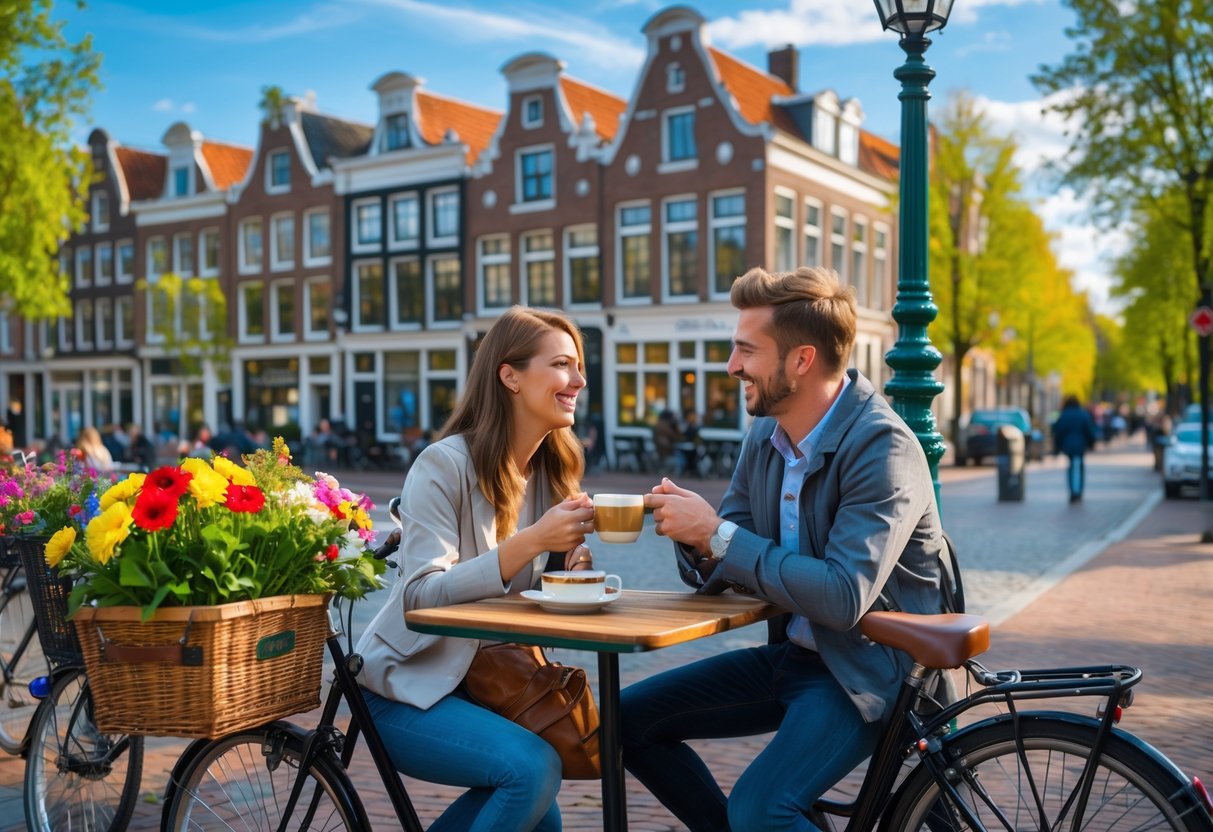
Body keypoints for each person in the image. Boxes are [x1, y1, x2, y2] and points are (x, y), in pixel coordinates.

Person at [622, 266, 947, 832]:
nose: (732, 366)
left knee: (759, 808)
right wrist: (698, 538)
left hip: (868, 670)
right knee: (626, 722)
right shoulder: (767, 436)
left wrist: (717, 535)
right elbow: (733, 547)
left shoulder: (882, 447)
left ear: (800, 360)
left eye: (746, 350)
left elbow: (844, 595)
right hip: (798, 656)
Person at [356, 306, 597, 832]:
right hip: (403, 688)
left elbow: (548, 592)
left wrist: (574, 565)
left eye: (578, 366)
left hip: (489, 688)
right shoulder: (443, 465)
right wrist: (530, 543)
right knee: (531, 771)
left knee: (542, 818)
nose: (579, 379)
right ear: (510, 376)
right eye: (562, 364)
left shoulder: (554, 474)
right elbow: (419, 597)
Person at [1052, 396, 1097, 503]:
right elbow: (1089, 430)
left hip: (1068, 445)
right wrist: (1091, 443)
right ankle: (1078, 491)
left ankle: (1073, 491)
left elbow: (1058, 431)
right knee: (1080, 466)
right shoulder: (1083, 414)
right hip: (1081, 444)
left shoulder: (1064, 415)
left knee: (1071, 466)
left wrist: (1057, 446)